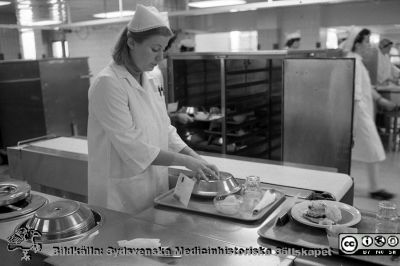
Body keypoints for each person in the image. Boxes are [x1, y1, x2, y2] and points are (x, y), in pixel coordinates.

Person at [87, 5, 219, 214]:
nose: (160, 58)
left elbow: (164, 128)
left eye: (163, 50)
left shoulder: (153, 76)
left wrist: (194, 157)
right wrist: (185, 162)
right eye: (155, 49)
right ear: (131, 42)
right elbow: (132, 147)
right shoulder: (108, 83)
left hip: (154, 184)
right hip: (120, 194)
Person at [341, 28, 396, 200]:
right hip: (359, 114)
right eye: (366, 41)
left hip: (361, 113)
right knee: (373, 149)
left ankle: (371, 187)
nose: (369, 45)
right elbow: (356, 95)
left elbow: (367, 88)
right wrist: (354, 125)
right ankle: (375, 188)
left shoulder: (358, 61)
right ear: (357, 44)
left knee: (361, 152)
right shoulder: (355, 63)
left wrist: (380, 100)